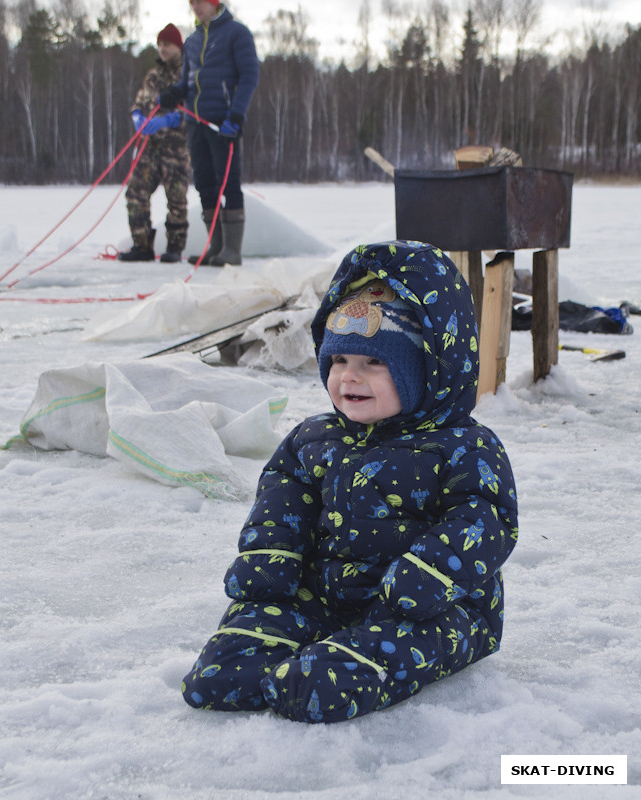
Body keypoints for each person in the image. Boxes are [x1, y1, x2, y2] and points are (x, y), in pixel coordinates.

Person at [181, 241, 519, 723]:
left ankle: (329, 670)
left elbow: (486, 520)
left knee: (358, 666)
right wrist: (269, 557)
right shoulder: (313, 438)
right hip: (322, 593)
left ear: (428, 368)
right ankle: (267, 660)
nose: (349, 378)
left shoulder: (466, 448)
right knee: (225, 668)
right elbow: (282, 499)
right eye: (339, 361)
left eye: (374, 363)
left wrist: (429, 576)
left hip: (433, 607)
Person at [159, 0, 259, 266]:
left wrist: (236, 115)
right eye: (191, 3)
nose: (195, 7)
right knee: (204, 182)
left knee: (228, 182)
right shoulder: (192, 40)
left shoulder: (236, 33)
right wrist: (176, 91)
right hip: (196, 123)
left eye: (199, 2)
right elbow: (187, 80)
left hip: (223, 122)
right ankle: (216, 247)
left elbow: (250, 75)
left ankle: (232, 250)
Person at [118, 23, 190, 263]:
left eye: (167, 44)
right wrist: (137, 115)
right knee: (135, 192)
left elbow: (194, 111)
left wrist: (170, 120)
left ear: (178, 47)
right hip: (149, 147)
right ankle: (142, 245)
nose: (162, 49)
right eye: (160, 44)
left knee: (176, 198)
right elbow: (139, 101)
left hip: (175, 147)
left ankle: (174, 248)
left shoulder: (188, 74)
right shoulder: (152, 76)